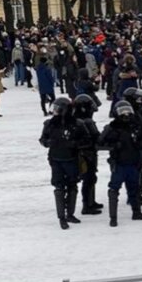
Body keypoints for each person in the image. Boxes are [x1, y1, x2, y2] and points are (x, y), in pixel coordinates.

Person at [40, 97, 89, 229]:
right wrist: (48, 143)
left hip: (72, 159)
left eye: (57, 109)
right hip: (56, 159)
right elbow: (43, 139)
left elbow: (86, 139)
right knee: (59, 188)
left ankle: (70, 214)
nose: (55, 111)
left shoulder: (77, 124)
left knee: (72, 186)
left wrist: (75, 144)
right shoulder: (50, 124)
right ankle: (61, 217)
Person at [99, 102, 142, 225]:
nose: (126, 114)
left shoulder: (136, 126)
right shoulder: (111, 127)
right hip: (119, 164)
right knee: (114, 189)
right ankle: (113, 218)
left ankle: (137, 212)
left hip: (134, 163)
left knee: (135, 189)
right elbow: (99, 143)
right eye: (122, 112)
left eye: (128, 111)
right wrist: (114, 146)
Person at [72, 94, 103, 216]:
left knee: (90, 178)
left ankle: (90, 201)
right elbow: (96, 137)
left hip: (85, 153)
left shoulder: (77, 120)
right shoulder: (85, 122)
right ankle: (87, 205)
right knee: (89, 178)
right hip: (86, 154)